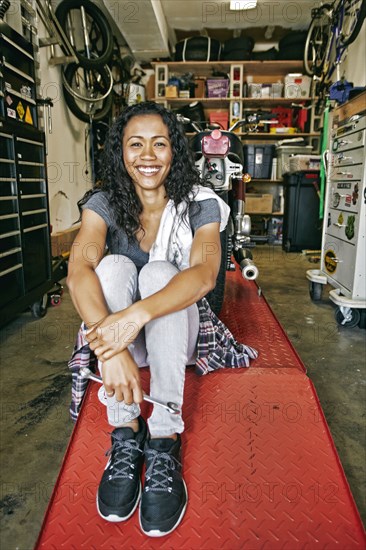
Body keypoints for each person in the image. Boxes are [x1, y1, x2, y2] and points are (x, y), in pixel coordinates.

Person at [66, 101, 257, 537]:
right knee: (111, 269)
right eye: (136, 144)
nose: (147, 155)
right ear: (121, 152)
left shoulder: (200, 203)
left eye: (159, 143)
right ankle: (125, 433)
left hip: (178, 334)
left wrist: (130, 320)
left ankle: (164, 437)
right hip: (122, 341)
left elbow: (206, 274)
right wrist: (110, 347)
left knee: (160, 273)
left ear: (175, 152)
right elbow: (78, 270)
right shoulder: (104, 203)